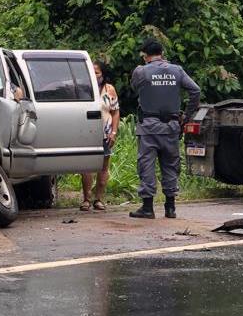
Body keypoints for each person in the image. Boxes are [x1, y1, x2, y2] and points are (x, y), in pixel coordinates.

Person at [129, 39, 201, 219]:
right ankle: (170, 208)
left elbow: (134, 88)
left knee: (146, 165)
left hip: (149, 128)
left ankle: (147, 208)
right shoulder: (177, 71)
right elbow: (195, 91)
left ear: (145, 55)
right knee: (170, 165)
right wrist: (187, 116)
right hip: (171, 126)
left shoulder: (141, 71)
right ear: (162, 53)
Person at [81, 61, 120, 212]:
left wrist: (114, 132)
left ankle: (99, 199)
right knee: (86, 167)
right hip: (87, 133)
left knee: (103, 167)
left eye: (97, 72)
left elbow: (115, 111)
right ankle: (86, 199)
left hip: (106, 133)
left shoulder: (109, 89)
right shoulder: (83, 89)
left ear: (103, 74)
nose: (94, 75)